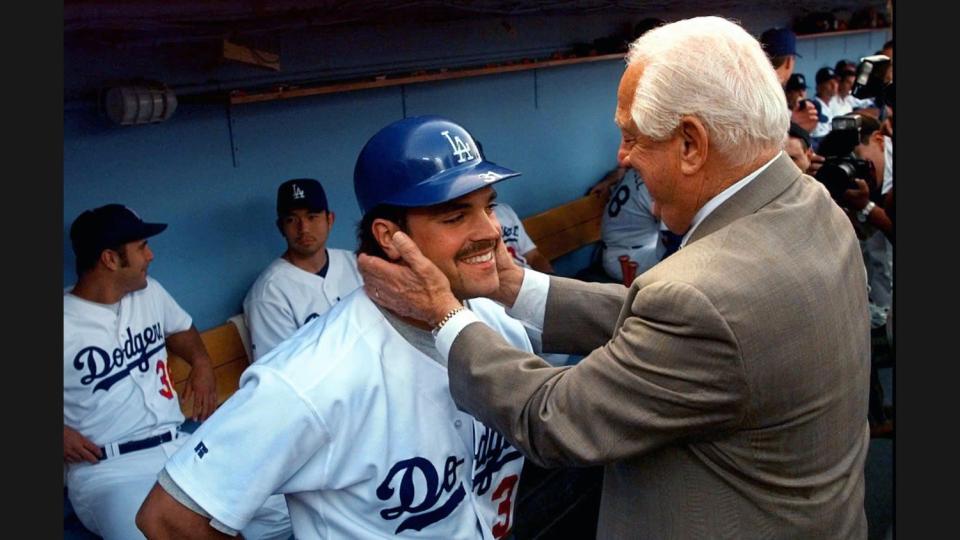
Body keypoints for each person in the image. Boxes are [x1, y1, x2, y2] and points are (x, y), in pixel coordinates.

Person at [358, 17, 870, 538]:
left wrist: (443, 316)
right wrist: (514, 285)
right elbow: (690, 333)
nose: (623, 156)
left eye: (632, 136)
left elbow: (553, 419)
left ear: (691, 143)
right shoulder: (809, 205)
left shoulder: (702, 297)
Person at [136, 116, 533, 539]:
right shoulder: (312, 378)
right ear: (389, 236)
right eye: (455, 216)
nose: (490, 231)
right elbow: (168, 518)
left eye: (488, 206)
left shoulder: (495, 321)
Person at [64, 204, 290, 540]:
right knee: (155, 532)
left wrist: (201, 365)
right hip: (111, 471)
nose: (151, 256)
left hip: (182, 449)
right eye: (141, 248)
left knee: (290, 503)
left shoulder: (148, 291)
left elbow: (181, 331)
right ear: (110, 259)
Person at [243, 178, 362, 361]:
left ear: (330, 220)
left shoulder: (356, 263)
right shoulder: (269, 294)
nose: (303, 228)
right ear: (281, 227)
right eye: (291, 219)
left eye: (312, 216)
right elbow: (282, 371)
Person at [493, 202, 554, 274]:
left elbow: (533, 256)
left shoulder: (503, 209)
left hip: (531, 277)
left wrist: (550, 278)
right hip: (511, 282)